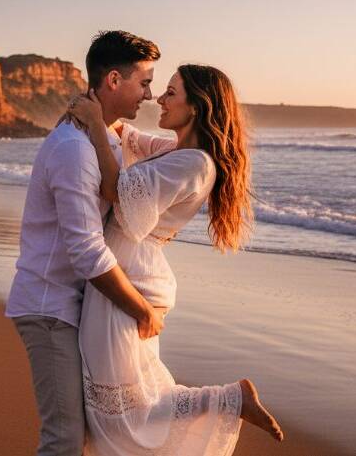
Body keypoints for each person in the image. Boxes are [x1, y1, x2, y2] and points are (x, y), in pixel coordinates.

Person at [67, 64, 284, 455]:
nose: (159, 101)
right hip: (129, 273)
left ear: (197, 106)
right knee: (126, 403)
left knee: (119, 414)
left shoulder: (196, 164)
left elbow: (118, 189)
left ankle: (230, 400)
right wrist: (101, 107)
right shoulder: (176, 151)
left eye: (170, 92)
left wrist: (96, 123)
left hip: (129, 278)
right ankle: (228, 399)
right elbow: (130, 138)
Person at [5, 30, 168, 456]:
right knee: (63, 441)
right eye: (145, 82)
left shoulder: (110, 136)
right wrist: (142, 309)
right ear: (114, 80)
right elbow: (85, 249)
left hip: (78, 308)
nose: (150, 95)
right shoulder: (73, 148)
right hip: (49, 306)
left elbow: (180, 152)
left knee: (93, 436)